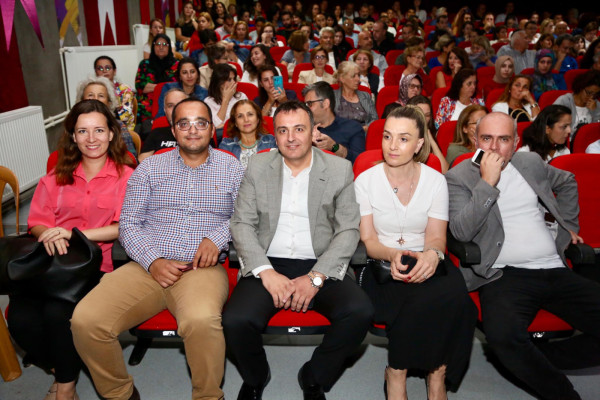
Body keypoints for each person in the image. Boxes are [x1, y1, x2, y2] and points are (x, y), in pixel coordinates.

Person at [71, 97, 245, 400]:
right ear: (173, 131)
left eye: (201, 123)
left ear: (211, 129)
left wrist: (216, 238)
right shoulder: (149, 168)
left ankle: (208, 396)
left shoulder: (232, 168)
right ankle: (120, 394)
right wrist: (153, 261)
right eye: (184, 124)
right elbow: (129, 224)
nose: (193, 130)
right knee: (86, 321)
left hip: (201, 269)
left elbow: (245, 216)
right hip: (145, 267)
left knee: (201, 321)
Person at [223, 100, 374, 400]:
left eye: (299, 129)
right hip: (268, 260)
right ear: (275, 135)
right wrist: (265, 271)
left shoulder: (339, 169)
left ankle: (314, 377)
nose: (291, 138)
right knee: (235, 320)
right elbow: (241, 223)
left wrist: (316, 277)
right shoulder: (257, 166)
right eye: (283, 130)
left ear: (314, 131)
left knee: (360, 312)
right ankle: (256, 376)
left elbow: (348, 230)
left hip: (320, 261)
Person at [445, 111, 600, 400]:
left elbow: (567, 182)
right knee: (504, 338)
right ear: (475, 139)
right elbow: (461, 232)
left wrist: (567, 227)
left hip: (554, 269)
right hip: (504, 275)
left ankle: (539, 359)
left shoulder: (530, 163)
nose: (494, 147)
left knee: (523, 353)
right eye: (487, 138)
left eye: (503, 139)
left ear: (516, 143)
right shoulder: (458, 177)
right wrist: (487, 183)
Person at [8, 99, 134, 400]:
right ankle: (61, 369)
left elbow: (123, 226)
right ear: (73, 136)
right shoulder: (55, 177)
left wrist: (72, 234)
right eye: (83, 131)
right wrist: (50, 234)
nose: (91, 138)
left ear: (111, 134)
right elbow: (37, 222)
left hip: (94, 267)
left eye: (99, 130)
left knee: (58, 314)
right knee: (20, 320)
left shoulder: (126, 176)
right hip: (50, 264)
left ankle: (65, 388)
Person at [355, 105, 477, 400]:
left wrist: (432, 256)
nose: (392, 146)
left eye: (403, 139)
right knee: (415, 299)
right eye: (387, 136)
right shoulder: (365, 181)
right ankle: (398, 371)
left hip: (426, 257)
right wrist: (392, 254)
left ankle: (437, 374)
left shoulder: (435, 181)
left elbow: (436, 236)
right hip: (382, 263)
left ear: (419, 144)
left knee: (459, 299)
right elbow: (368, 240)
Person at [303, 81, 365, 163]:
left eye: (309, 104)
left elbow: (360, 162)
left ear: (325, 104)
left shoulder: (352, 128)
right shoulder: (302, 128)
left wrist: (335, 147)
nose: (306, 109)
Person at [76, 77, 137, 157]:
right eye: (90, 95)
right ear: (82, 100)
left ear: (109, 102)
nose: (95, 99)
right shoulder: (74, 125)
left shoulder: (119, 127)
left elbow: (131, 159)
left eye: (101, 96)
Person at [135, 34, 179, 123]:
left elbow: (178, 86)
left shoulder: (177, 65)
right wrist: (165, 86)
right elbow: (140, 86)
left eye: (164, 44)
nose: (161, 47)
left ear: (169, 47)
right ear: (153, 47)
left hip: (172, 106)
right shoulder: (145, 64)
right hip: (147, 109)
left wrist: (153, 87)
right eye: (158, 44)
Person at [219, 99, 276, 167]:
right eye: (240, 116)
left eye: (250, 114)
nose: (246, 120)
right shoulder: (226, 145)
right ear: (235, 122)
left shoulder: (270, 141)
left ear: (258, 119)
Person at [138, 88, 188, 162]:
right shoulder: (156, 133)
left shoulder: (198, 133)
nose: (175, 110)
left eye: (180, 105)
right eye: (170, 106)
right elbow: (142, 162)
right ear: (165, 110)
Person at [553, 70, 600, 138]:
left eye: (595, 94)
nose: (591, 97)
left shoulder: (596, 104)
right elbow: (552, 123)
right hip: (566, 140)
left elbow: (597, 130)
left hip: (588, 142)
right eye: (589, 93)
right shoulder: (564, 101)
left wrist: (595, 112)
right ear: (581, 87)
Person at [93, 56, 135, 131]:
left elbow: (124, 117)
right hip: (96, 126)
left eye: (108, 68)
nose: (104, 71)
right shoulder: (92, 89)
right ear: (96, 72)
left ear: (114, 71)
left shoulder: (125, 89)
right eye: (100, 68)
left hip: (122, 128)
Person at [333, 61, 377, 131]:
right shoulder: (332, 96)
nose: (358, 79)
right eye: (353, 76)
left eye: (358, 75)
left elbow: (374, 118)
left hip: (363, 133)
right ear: (342, 79)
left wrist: (366, 128)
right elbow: (327, 121)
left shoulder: (365, 95)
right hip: (340, 134)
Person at [205, 63, 248, 133]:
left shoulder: (241, 96)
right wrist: (226, 100)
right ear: (219, 82)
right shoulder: (209, 101)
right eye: (229, 80)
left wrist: (226, 125)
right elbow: (216, 127)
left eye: (234, 79)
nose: (234, 82)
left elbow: (248, 119)